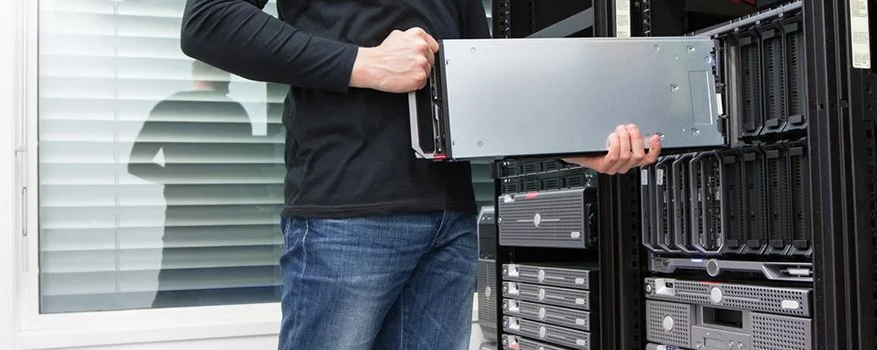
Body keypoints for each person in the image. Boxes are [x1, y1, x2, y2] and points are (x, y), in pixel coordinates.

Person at [180, 1, 662, 349]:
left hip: (449, 222)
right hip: (347, 218)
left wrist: (578, 150)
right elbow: (208, 21)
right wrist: (363, 63)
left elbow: (478, 80)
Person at [126, 61, 284, 309]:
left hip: (182, 221)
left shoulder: (169, 107)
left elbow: (136, 163)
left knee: (174, 292)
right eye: (229, 74)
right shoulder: (234, 112)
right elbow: (248, 171)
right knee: (224, 297)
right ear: (220, 75)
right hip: (228, 223)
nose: (231, 80)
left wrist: (179, 179)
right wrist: (266, 206)